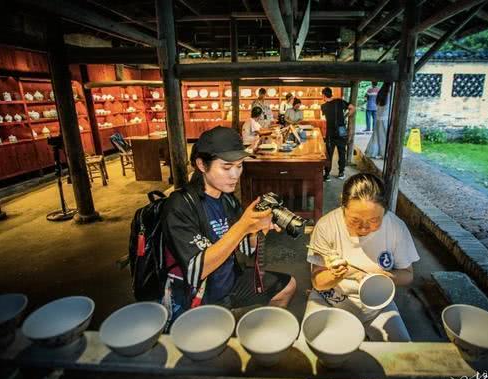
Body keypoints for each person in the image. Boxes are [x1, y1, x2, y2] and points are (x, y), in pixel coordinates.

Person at [164, 126, 296, 316]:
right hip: (198, 297)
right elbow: (195, 272)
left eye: (239, 165)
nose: (235, 175)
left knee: (288, 286)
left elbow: (243, 249)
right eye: (226, 167)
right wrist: (243, 226)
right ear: (202, 165)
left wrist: (256, 230)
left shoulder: (227, 199)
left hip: (230, 282)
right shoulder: (180, 205)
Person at [305, 173, 419, 342]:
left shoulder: (396, 228)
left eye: (374, 220)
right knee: (312, 347)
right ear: (343, 206)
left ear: (385, 210)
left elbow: (408, 274)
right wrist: (335, 275)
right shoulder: (326, 226)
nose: (364, 227)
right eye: (355, 220)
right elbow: (318, 283)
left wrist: (386, 277)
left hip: (378, 304)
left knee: (402, 352)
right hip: (330, 299)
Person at [321, 87, 355, 181]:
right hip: (342, 129)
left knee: (329, 153)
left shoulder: (323, 106)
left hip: (331, 131)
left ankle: (327, 175)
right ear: (331, 93)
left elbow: (326, 116)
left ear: (324, 95)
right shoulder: (340, 102)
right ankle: (341, 173)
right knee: (342, 151)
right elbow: (352, 108)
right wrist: (345, 116)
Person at [365, 83, 391, 159]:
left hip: (379, 118)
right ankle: (384, 153)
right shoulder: (389, 94)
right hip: (385, 118)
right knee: (385, 137)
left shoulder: (380, 93)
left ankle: (374, 151)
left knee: (376, 136)